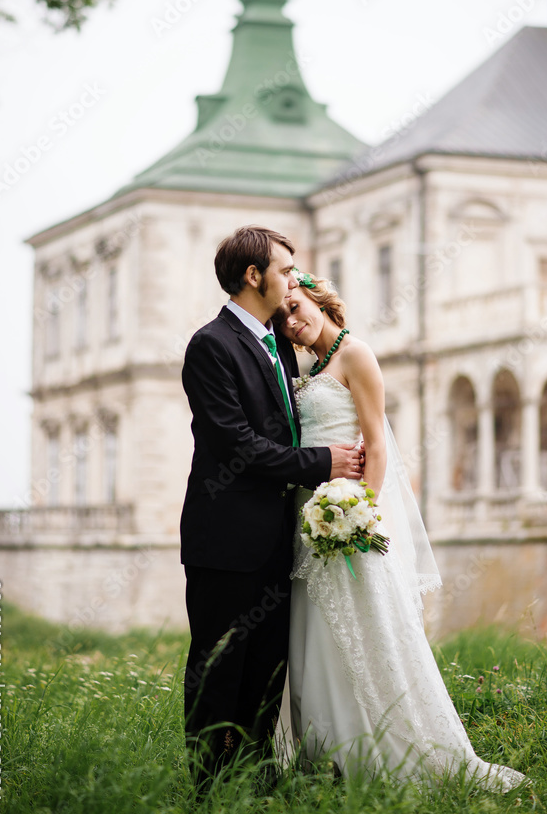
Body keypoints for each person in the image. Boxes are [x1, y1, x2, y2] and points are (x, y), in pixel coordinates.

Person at [276, 271, 526, 792]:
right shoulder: (307, 366)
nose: (292, 322)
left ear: (319, 300)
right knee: (317, 633)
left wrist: (358, 512)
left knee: (368, 630)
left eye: (297, 308)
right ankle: (327, 756)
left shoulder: (357, 355)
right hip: (311, 516)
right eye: (283, 317)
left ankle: (388, 750)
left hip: (348, 518)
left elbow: (378, 442)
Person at [180, 227, 363, 784]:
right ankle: (211, 789)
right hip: (226, 541)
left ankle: (256, 783)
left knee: (266, 672)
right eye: (285, 270)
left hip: (278, 538)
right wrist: (321, 465)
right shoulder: (211, 346)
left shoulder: (278, 343)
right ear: (254, 275)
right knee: (219, 673)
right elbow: (239, 444)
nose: (293, 280)